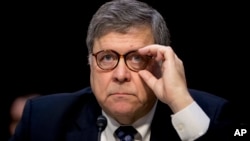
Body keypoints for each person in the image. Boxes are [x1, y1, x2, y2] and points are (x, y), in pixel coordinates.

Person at [9, 0, 239, 141]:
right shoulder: (43, 120)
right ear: (90, 62)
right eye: (107, 57)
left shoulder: (211, 115)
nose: (120, 75)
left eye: (137, 58)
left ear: (161, 63)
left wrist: (180, 101)